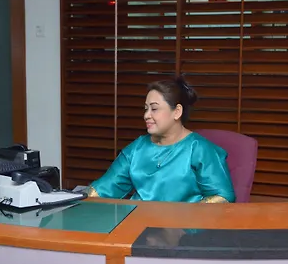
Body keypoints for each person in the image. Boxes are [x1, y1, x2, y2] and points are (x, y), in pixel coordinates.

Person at [86, 76, 235, 203]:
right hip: (136, 223)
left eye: (154, 109)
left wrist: (187, 222)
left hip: (182, 226)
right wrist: (76, 199)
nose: (146, 115)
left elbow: (222, 197)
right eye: (146, 109)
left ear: (177, 112)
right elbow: (104, 189)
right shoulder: (137, 148)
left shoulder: (200, 149)